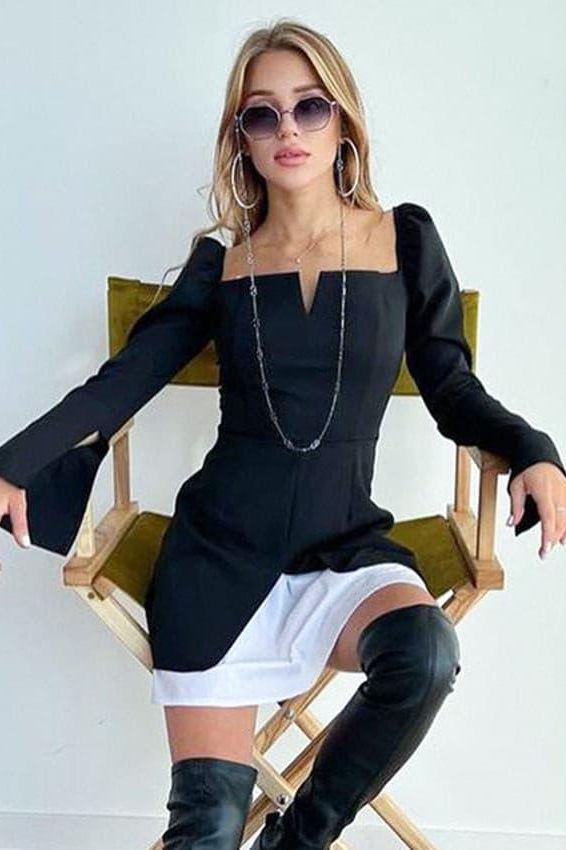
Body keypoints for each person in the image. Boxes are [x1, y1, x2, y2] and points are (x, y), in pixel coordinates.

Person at [1, 18, 565, 850]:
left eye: (309, 107)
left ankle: (294, 841)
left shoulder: (404, 240)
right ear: (242, 139)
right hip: (218, 556)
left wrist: (533, 449)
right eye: (262, 115)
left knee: (424, 654)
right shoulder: (220, 264)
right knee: (205, 830)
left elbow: (451, 385)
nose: (288, 130)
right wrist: (14, 463)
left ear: (344, 122)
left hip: (347, 551)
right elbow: (123, 381)